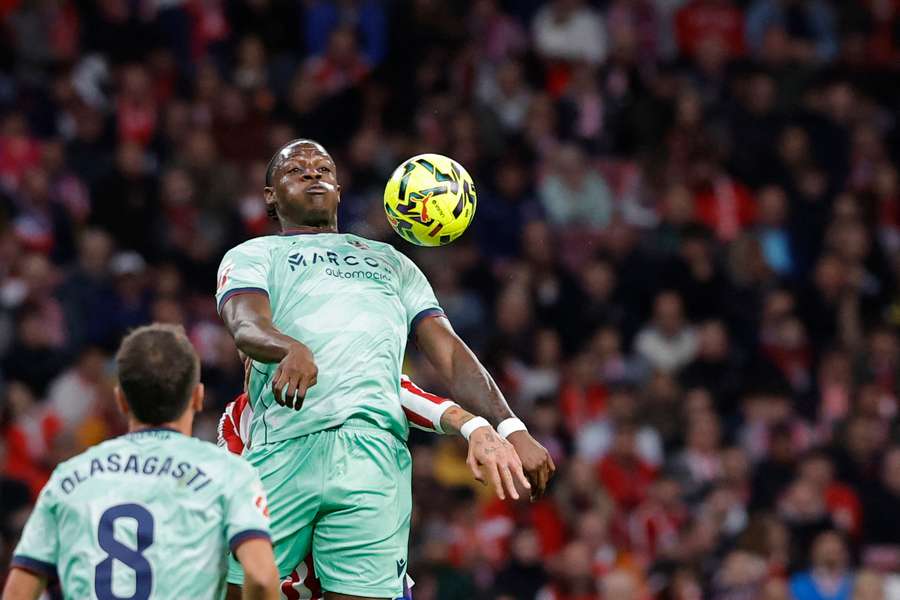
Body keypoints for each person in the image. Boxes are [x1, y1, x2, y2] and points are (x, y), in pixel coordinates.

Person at [216, 138, 555, 599]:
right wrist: (288, 347)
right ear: (271, 195)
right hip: (284, 443)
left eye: (324, 167)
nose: (313, 173)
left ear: (338, 187)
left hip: (373, 456)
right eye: (297, 169)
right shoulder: (253, 255)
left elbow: (450, 354)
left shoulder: (393, 263)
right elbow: (244, 323)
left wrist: (511, 428)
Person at [2, 324, 279, 600]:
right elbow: (261, 577)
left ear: (121, 400)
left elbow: (17, 592)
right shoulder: (228, 473)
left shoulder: (69, 477)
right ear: (197, 397)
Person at [219, 375, 498, 599]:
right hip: (284, 584)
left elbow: (414, 397)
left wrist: (473, 426)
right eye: (247, 356)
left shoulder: (351, 378)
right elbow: (240, 496)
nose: (253, 365)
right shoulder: (235, 417)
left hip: (367, 571)